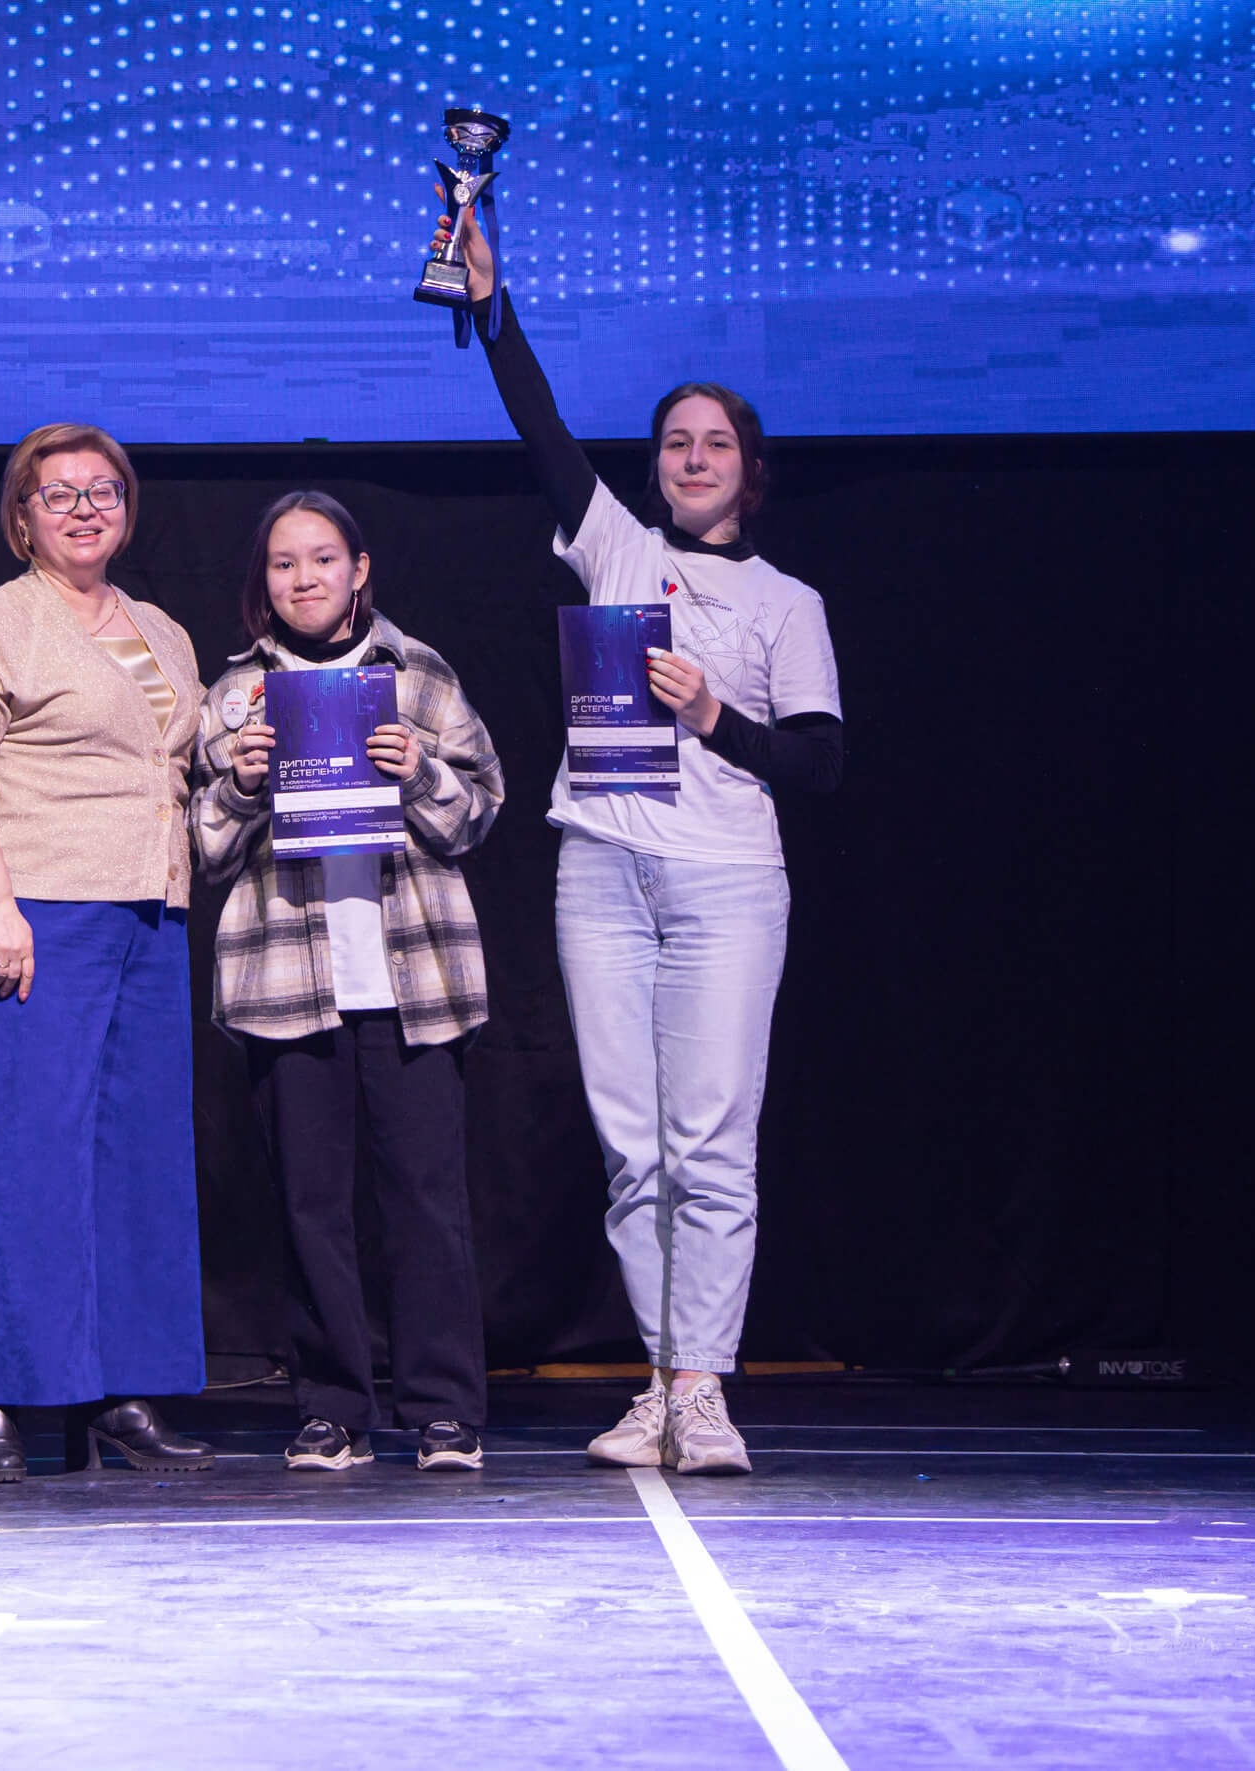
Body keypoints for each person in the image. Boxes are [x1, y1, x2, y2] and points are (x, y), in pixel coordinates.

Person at [440, 207, 846, 1474]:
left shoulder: (785, 603)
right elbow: (541, 429)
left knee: (709, 1142)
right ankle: (662, 1384)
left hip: (726, 884)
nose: (692, 457)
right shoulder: (616, 547)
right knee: (631, 1148)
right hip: (602, 872)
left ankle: (705, 1390)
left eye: (715, 443)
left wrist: (716, 715)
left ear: (750, 470)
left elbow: (819, 764)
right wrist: (491, 304)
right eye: (675, 441)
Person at [0, 422, 214, 1484]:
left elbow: (176, 768)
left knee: (137, 1159)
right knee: (24, 1153)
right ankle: (1, 1395)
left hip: (151, 915)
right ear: (22, 517)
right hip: (38, 913)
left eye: (104, 491)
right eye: (60, 495)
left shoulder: (162, 630)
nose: (85, 510)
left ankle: (122, 1390)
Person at [193, 492, 505, 1474]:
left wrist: (419, 771)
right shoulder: (236, 694)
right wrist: (241, 783)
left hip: (414, 977)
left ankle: (444, 1409)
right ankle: (332, 1407)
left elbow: (479, 811)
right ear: (264, 580)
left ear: (359, 569)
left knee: (427, 1202)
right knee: (310, 1209)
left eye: (323, 559)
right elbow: (203, 848)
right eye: (284, 563)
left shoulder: (418, 674)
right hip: (287, 982)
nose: (305, 579)